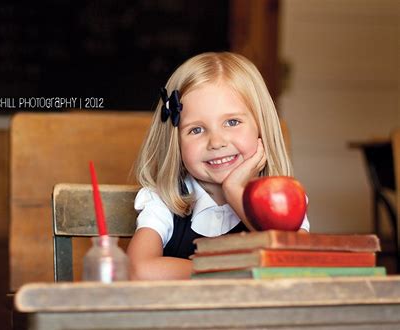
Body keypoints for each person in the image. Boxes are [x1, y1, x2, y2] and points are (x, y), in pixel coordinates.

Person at [127, 52, 310, 280]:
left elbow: (290, 263)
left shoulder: (284, 199)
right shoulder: (163, 201)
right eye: (196, 129)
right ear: (175, 141)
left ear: (261, 127)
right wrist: (228, 269)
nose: (216, 142)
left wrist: (235, 193)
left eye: (232, 122)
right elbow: (138, 270)